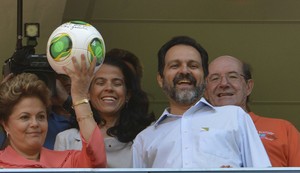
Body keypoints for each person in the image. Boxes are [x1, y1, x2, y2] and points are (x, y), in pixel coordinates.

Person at [132, 36, 271, 168]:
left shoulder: (234, 117)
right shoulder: (144, 139)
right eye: (175, 66)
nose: (185, 71)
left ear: (205, 78)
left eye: (193, 66)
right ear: (160, 79)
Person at [0, 55, 107, 168]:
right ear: (5, 124)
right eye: (25, 117)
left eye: (41, 117)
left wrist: (80, 97)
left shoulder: (67, 161)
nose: (35, 124)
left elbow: (97, 159)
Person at [54, 56, 155, 168]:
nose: (109, 88)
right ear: (88, 93)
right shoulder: (66, 139)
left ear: (128, 95)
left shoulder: (146, 136)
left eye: (117, 83)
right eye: (100, 83)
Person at [205, 55, 300, 167]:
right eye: (215, 78)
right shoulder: (194, 131)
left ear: (248, 87)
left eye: (232, 76)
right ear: (205, 91)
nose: (224, 83)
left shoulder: (283, 129)